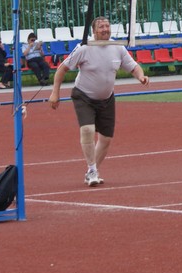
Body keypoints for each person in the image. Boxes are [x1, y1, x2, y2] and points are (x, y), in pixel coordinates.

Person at [48, 16, 149, 186]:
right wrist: (54, 93)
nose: (105, 29)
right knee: (87, 129)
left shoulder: (117, 47)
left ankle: (91, 171)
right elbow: (62, 69)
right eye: (101, 27)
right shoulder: (84, 47)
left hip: (107, 98)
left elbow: (133, 66)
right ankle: (93, 170)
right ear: (94, 31)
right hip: (83, 96)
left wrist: (141, 76)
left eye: (107, 26)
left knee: (106, 138)